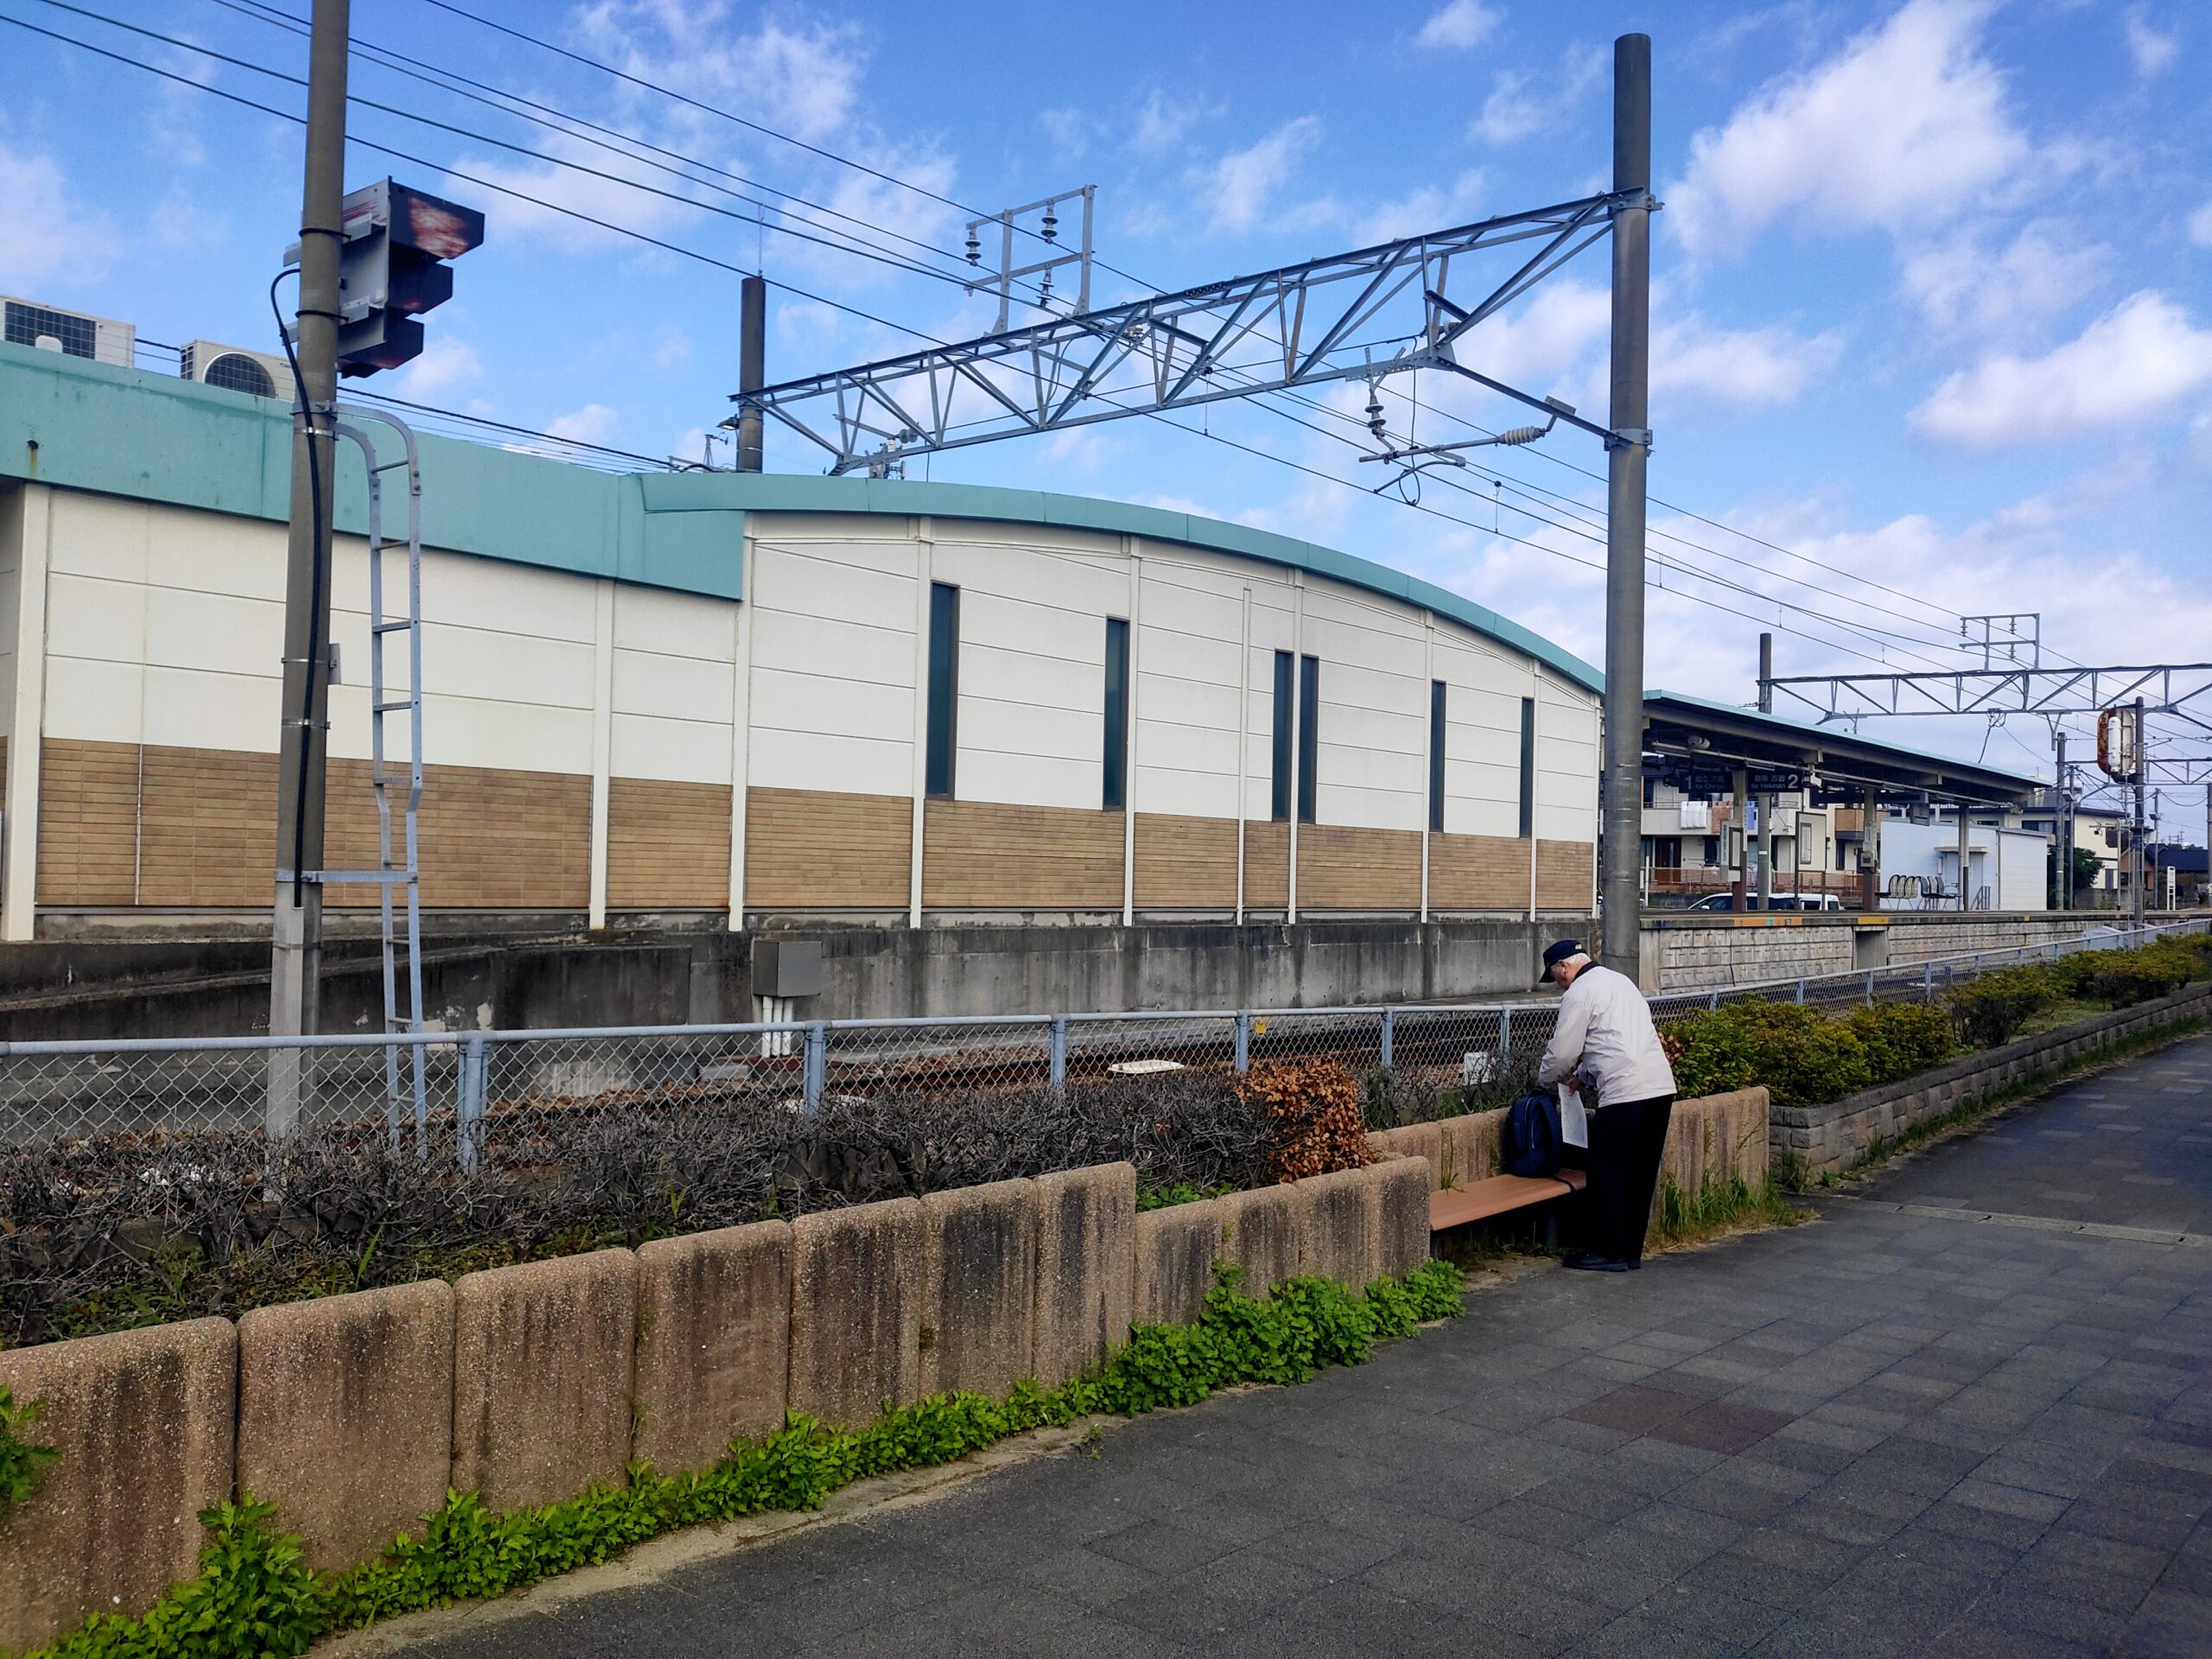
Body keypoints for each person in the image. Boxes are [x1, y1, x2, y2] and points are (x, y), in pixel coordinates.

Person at [1534, 938, 1677, 1274]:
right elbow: (1616, 1039)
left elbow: (1563, 1051)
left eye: (1556, 976)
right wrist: (1582, 1078)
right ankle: (1631, 1252)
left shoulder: (1579, 992)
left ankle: (1607, 1252)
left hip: (1625, 1092)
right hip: (1659, 1089)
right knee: (1641, 1173)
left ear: (1565, 967)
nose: (1558, 984)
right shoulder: (1620, 982)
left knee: (1607, 1171)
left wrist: (1544, 1082)